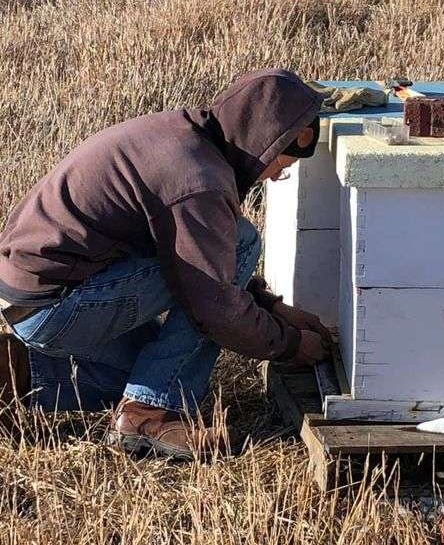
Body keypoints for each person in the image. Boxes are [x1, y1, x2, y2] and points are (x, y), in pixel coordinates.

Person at [0, 68, 331, 459]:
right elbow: (215, 307)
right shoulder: (199, 181)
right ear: (264, 141)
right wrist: (289, 345)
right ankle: (149, 413)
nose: (280, 173)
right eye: (282, 159)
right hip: (58, 305)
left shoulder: (184, 135)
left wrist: (270, 306)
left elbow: (190, 253)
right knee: (242, 243)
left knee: (143, 372)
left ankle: (12, 369)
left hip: (28, 297)